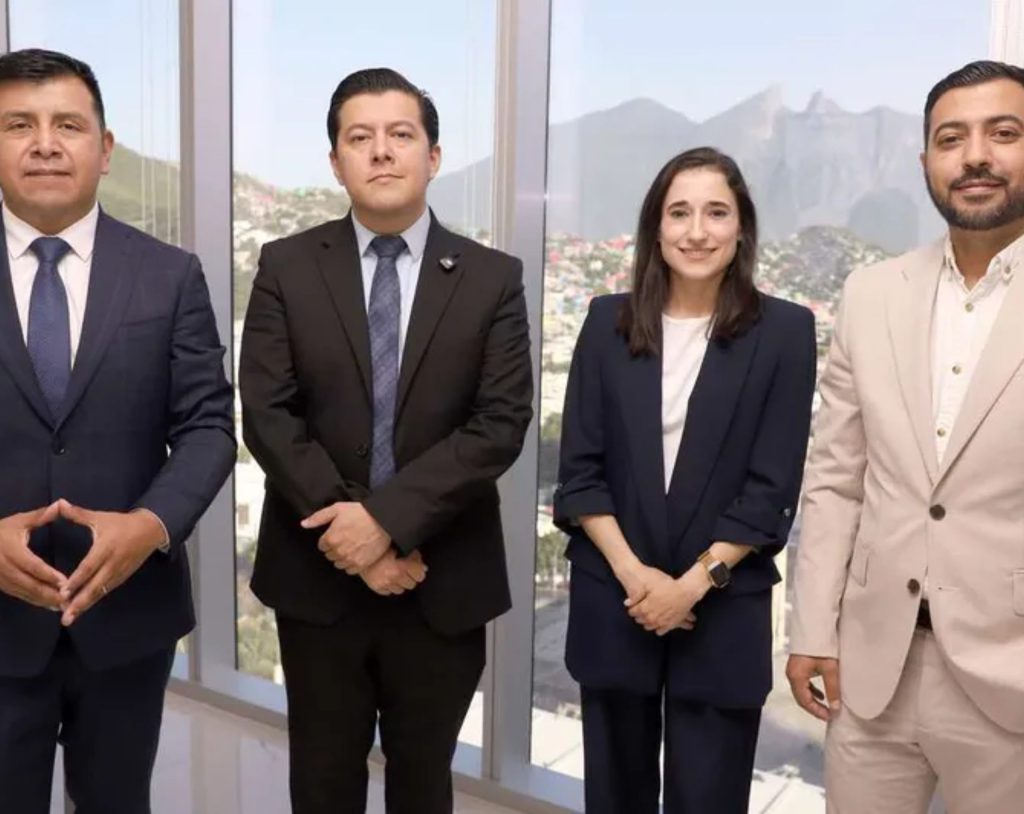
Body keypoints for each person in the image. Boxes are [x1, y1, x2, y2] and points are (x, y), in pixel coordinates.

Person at [238, 67, 533, 814]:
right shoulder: (286, 266)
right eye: (359, 137)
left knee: (424, 785)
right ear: (335, 161)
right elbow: (267, 413)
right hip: (317, 577)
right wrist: (354, 534)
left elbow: (499, 424)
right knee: (322, 784)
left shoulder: (493, 278)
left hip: (443, 578)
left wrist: (384, 523)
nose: (380, 151)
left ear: (433, 157)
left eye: (400, 134)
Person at [0, 48, 235, 814]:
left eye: (67, 125)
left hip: (129, 619)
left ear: (104, 149)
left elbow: (208, 425)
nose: (45, 144)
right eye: (19, 125)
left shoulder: (169, 274)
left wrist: (150, 525)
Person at [787, 60, 1024, 814]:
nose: (976, 156)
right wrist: (812, 628)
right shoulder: (870, 294)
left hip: (1011, 672)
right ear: (926, 163)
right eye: (952, 139)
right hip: (872, 666)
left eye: (1004, 133)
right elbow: (835, 478)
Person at [554, 146, 817, 813]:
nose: (697, 231)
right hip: (616, 599)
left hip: (722, 607)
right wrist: (637, 579)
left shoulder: (786, 332)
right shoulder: (606, 322)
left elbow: (771, 488)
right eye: (679, 213)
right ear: (656, 226)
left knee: (709, 801)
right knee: (615, 799)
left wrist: (692, 585)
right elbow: (580, 473)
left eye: (716, 212)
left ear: (741, 227)